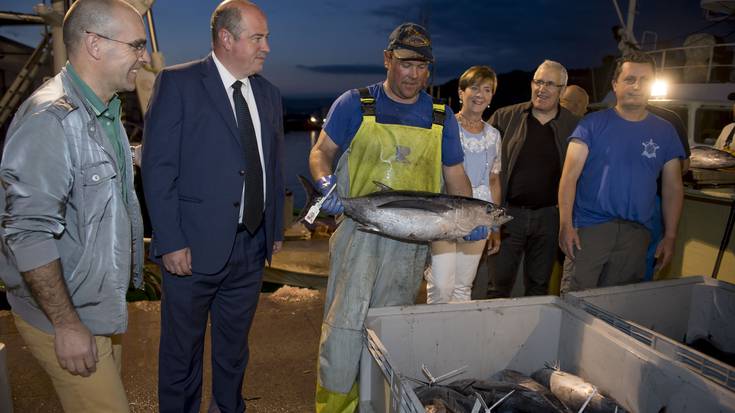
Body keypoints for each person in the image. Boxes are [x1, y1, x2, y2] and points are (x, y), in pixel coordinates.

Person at [308, 22, 474, 412]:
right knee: (344, 329)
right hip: (357, 239)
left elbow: (455, 176)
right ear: (387, 60)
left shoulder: (441, 116)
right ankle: (335, 408)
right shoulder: (354, 103)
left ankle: (377, 405)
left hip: (408, 249)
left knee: (389, 332)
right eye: (405, 64)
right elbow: (321, 152)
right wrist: (324, 182)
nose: (414, 75)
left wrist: (469, 214)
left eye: (422, 67)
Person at [0, 0, 148, 411]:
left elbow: (89, 172)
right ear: (95, 44)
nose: (144, 57)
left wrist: (139, 155)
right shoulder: (50, 121)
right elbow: (26, 234)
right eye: (136, 45)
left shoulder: (104, 111)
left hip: (97, 310)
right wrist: (66, 325)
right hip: (66, 314)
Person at [141, 1, 284, 412]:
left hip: (250, 248)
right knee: (181, 353)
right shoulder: (178, 83)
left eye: (267, 38)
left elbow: (271, 168)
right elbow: (158, 167)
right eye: (258, 38)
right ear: (226, 37)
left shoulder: (269, 94)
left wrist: (272, 231)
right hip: (191, 249)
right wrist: (169, 239)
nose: (267, 48)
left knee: (234, 350)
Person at [558, 52, 685, 293]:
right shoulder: (590, 125)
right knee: (574, 301)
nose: (637, 86)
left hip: (636, 236)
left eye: (645, 80)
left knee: (617, 308)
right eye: (630, 79)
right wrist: (565, 224)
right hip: (589, 230)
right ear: (615, 85)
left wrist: (670, 236)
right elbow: (569, 178)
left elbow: (673, 187)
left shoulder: (665, 131)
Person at [484, 60, 580, 299]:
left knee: (539, 286)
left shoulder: (573, 126)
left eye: (550, 84)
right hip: (508, 216)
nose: (542, 89)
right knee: (498, 285)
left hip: (549, 219)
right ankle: (494, 334)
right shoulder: (505, 117)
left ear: (562, 89)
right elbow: (480, 156)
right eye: (538, 81)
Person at [425, 65, 502, 304]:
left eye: (487, 90)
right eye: (474, 88)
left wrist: (495, 225)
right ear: (461, 92)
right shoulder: (445, 128)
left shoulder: (494, 135)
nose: (480, 94)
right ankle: (432, 338)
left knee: (463, 287)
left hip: (479, 218)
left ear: (491, 97)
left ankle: (455, 339)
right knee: (441, 285)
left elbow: (493, 180)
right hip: (446, 214)